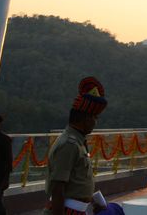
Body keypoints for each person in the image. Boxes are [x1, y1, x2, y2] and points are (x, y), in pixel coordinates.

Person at [46, 78, 107, 215]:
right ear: (85, 119)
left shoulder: (79, 142)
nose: (95, 122)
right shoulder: (69, 144)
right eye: (95, 118)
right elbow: (57, 187)